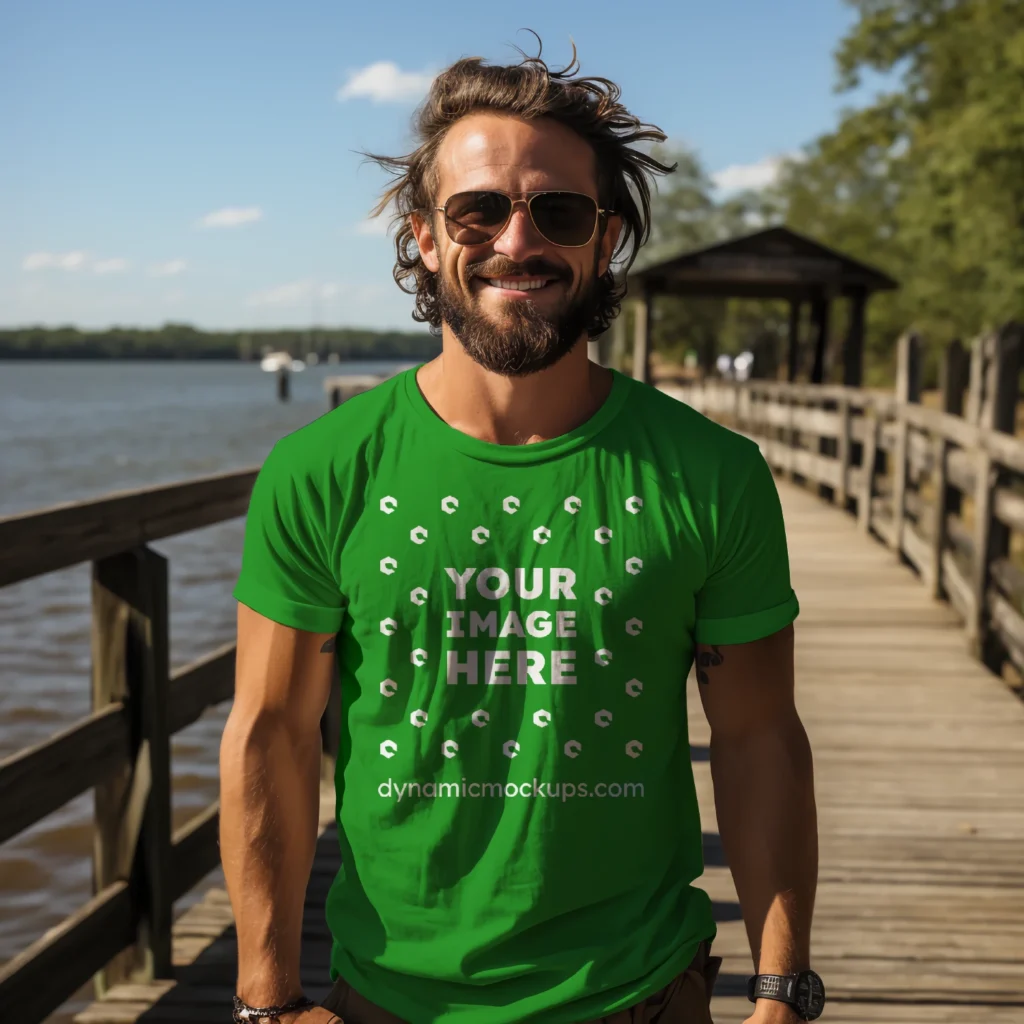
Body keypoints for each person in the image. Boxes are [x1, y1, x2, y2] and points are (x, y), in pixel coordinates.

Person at [222, 35, 821, 1024]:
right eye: (478, 209)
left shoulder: (711, 476)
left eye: (558, 210)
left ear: (606, 235)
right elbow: (271, 736)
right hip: (389, 998)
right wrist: (263, 999)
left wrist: (782, 989)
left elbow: (758, 736)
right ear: (423, 234)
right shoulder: (322, 471)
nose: (517, 240)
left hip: (637, 993)